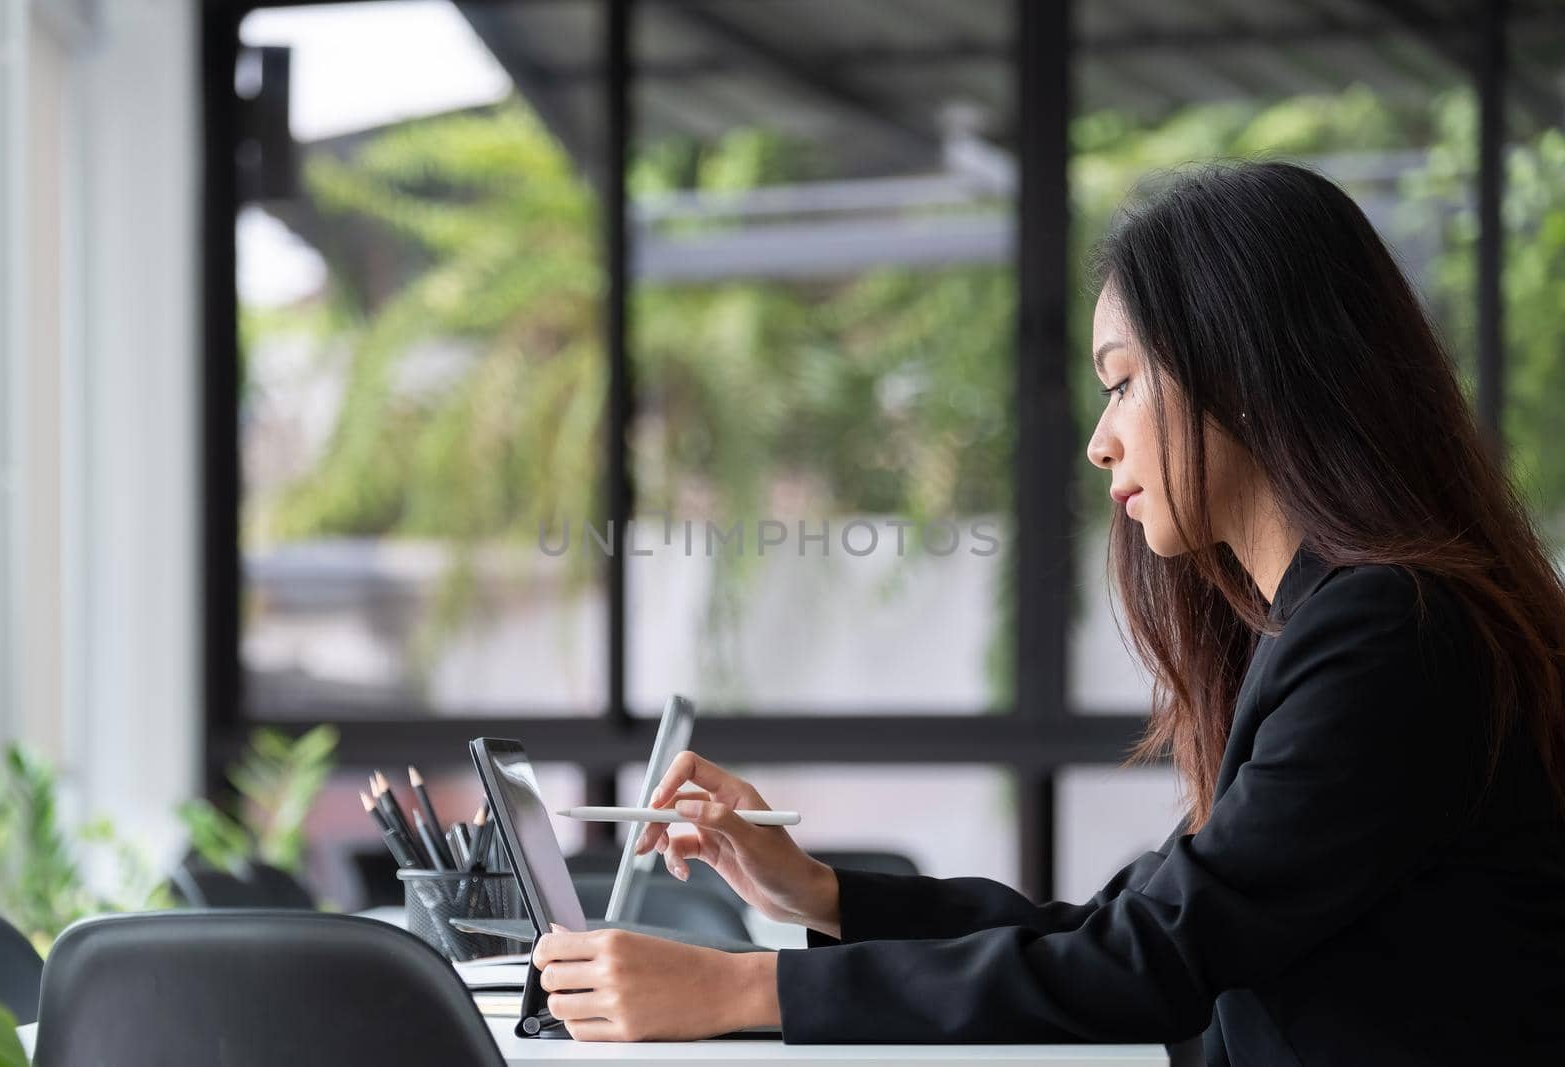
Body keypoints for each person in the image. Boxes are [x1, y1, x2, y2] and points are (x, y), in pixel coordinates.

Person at [529, 161, 1565, 1065]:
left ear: (1241, 373)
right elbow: (1130, 924)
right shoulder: (1348, 623)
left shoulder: (1390, 634)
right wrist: (817, 893)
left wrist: (739, 991)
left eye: (1122, 383)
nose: (1099, 441)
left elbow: (1151, 960)